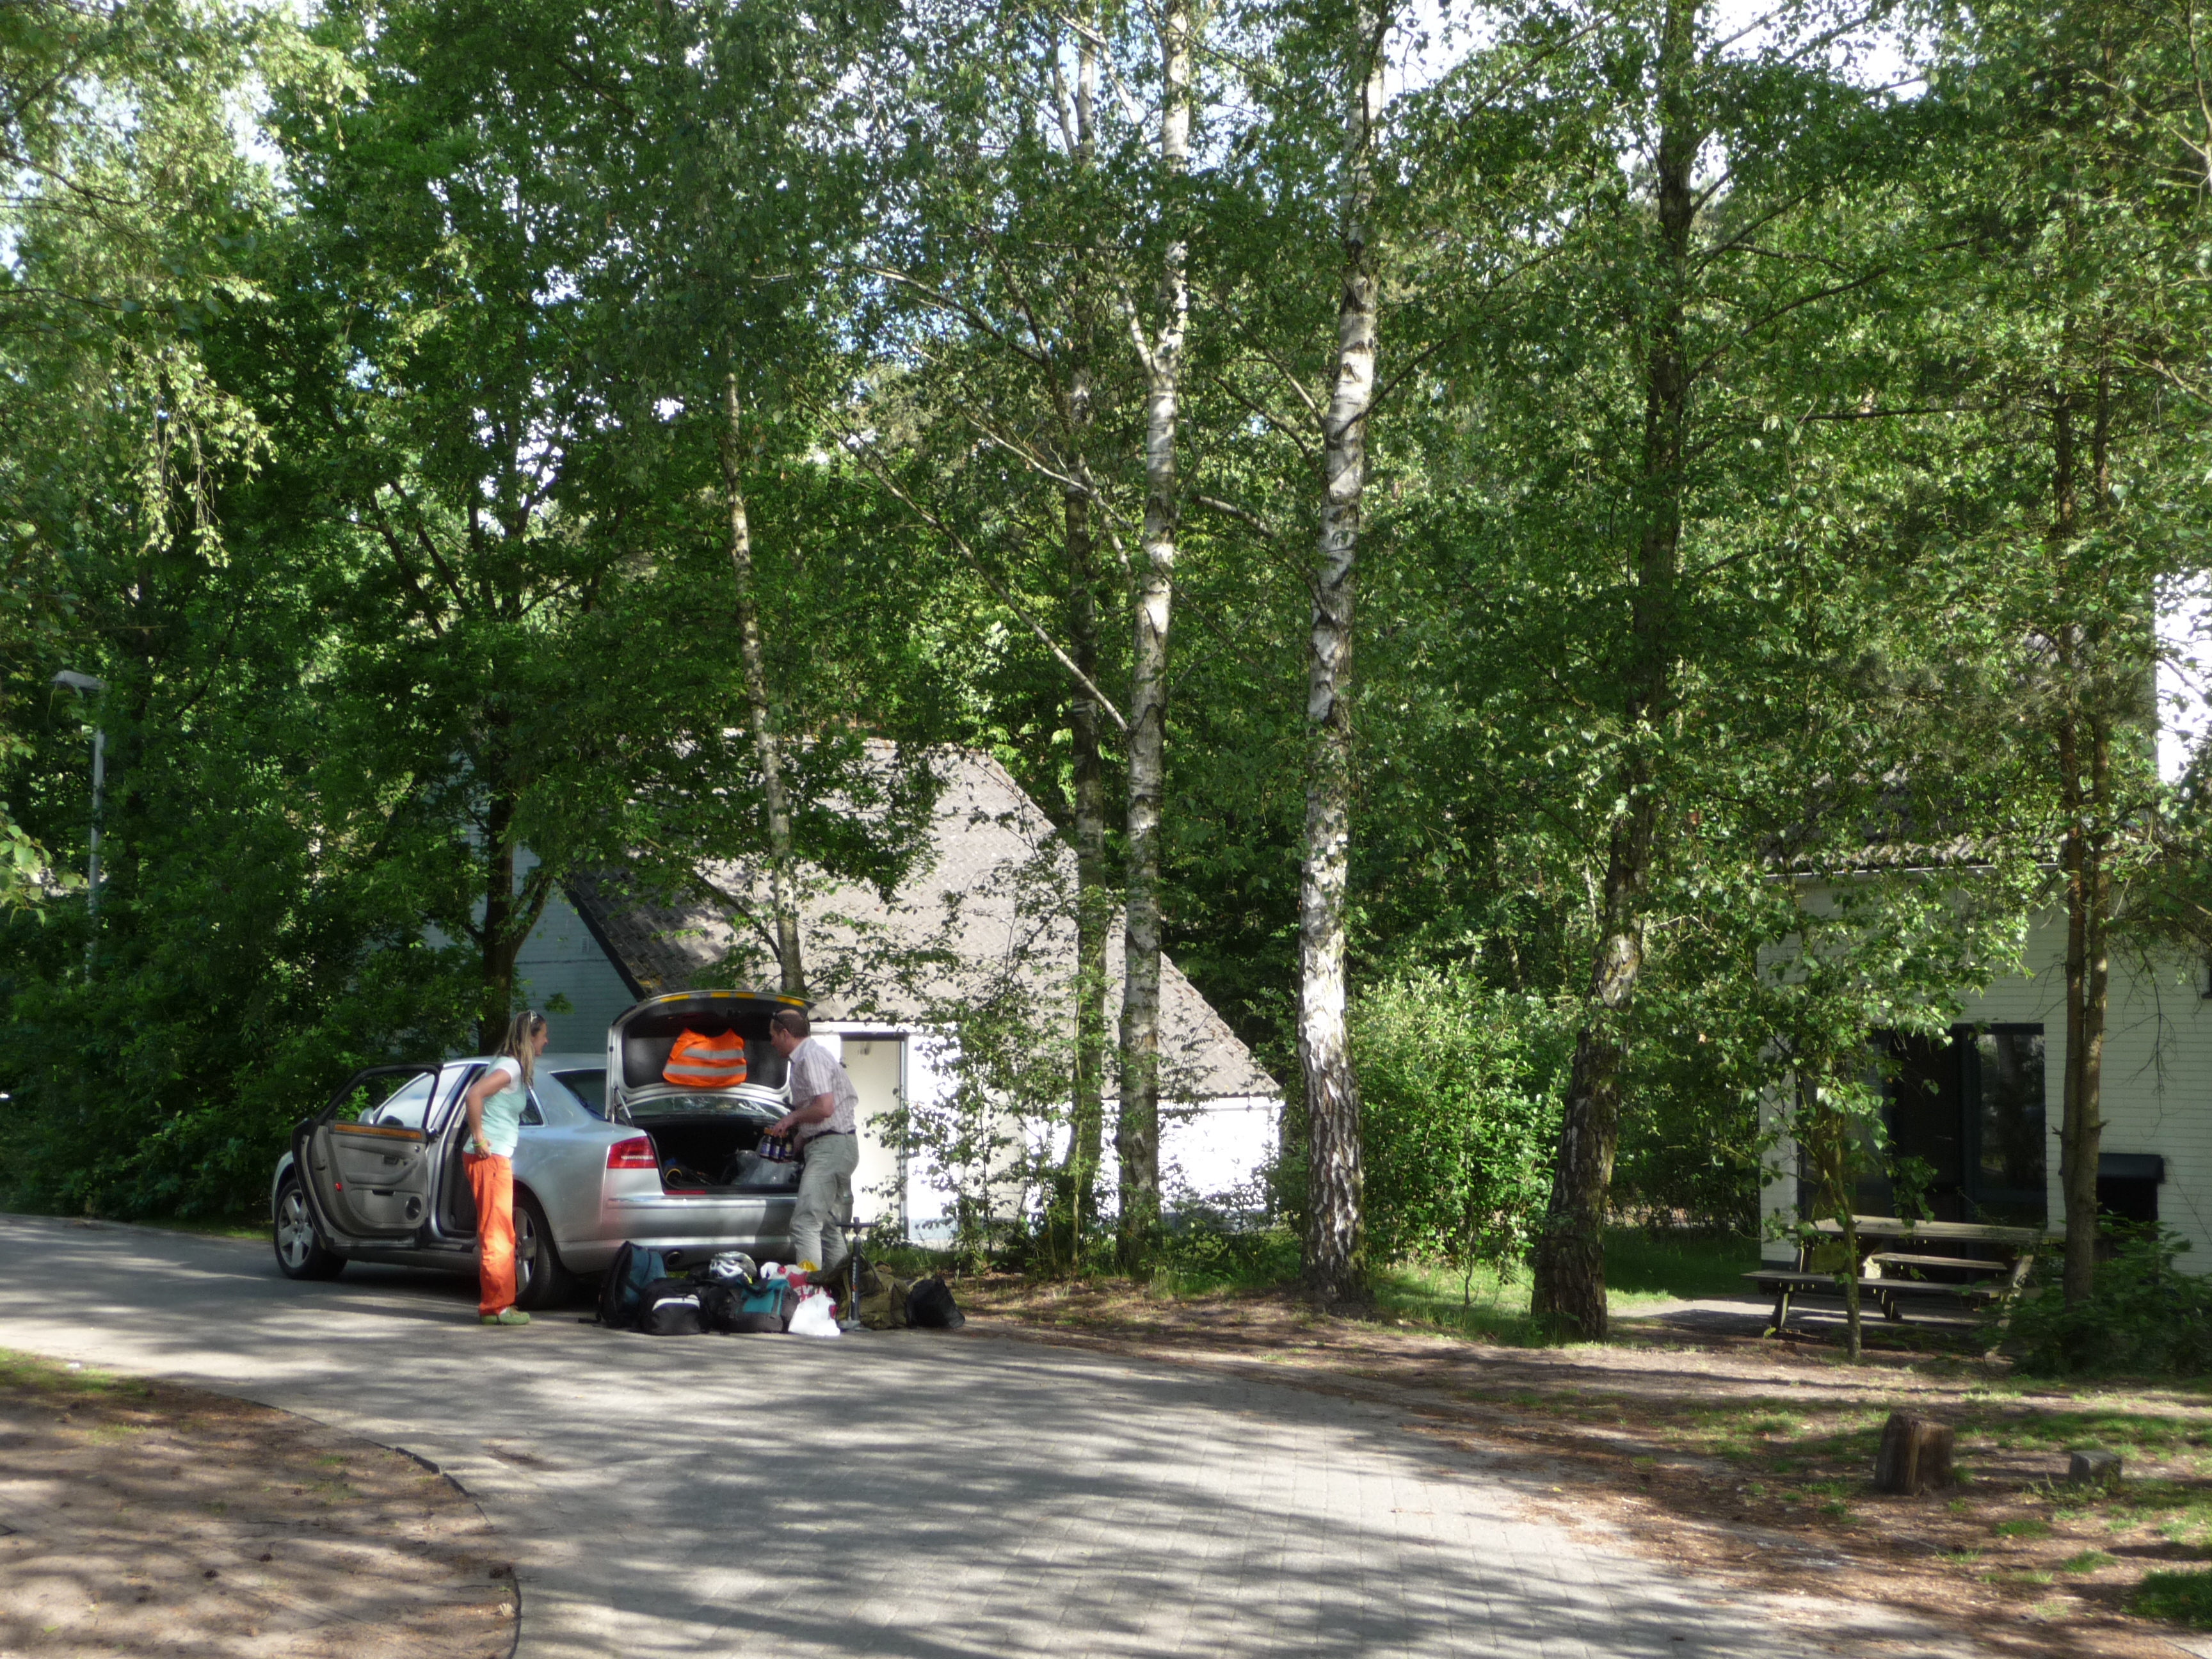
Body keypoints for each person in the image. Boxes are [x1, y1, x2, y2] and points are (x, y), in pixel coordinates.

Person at [460, 1009, 548, 1327]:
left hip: (492, 1157)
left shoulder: (507, 1065)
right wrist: (479, 1138)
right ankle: (497, 1307)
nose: (546, 1041)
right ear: (530, 1038)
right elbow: (474, 1094)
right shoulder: (510, 1067)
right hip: (490, 1157)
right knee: (498, 1233)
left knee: (498, 1231)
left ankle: (493, 1306)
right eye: (543, 1036)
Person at [764, 1007, 860, 1280]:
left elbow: (825, 1108)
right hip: (833, 1146)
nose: (771, 1042)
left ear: (785, 1034)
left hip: (831, 1149)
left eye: (773, 1036)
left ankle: (808, 1291)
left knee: (805, 1221)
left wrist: (792, 1118)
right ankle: (841, 1291)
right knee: (829, 1226)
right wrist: (794, 1147)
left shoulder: (811, 1058)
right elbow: (816, 1121)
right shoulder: (805, 1059)